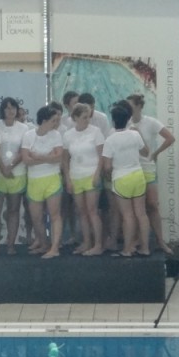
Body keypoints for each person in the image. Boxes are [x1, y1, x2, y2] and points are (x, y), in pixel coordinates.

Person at [126, 93, 176, 253]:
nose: (129, 110)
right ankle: (136, 240)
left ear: (139, 106)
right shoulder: (125, 123)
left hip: (147, 168)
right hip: (131, 170)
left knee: (152, 205)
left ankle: (160, 241)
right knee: (134, 210)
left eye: (131, 106)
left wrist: (155, 153)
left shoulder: (150, 122)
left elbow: (170, 138)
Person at [101, 102, 151, 257]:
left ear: (114, 120)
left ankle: (127, 249)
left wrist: (109, 177)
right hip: (138, 175)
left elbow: (107, 166)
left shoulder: (110, 140)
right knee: (141, 214)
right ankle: (145, 247)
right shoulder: (135, 134)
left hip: (121, 178)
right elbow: (145, 152)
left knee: (127, 215)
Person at [21, 105, 65, 258]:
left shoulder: (56, 135)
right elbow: (26, 160)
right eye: (53, 120)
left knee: (54, 215)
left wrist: (38, 157)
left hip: (52, 178)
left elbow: (59, 157)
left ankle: (54, 248)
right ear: (44, 120)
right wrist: (48, 158)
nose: (55, 123)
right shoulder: (28, 135)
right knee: (36, 217)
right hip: (34, 180)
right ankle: (43, 243)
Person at [62, 103, 105, 256]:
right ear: (75, 118)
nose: (87, 120)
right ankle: (86, 242)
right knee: (81, 212)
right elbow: (65, 159)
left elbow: (102, 156)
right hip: (76, 176)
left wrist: (97, 174)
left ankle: (98, 244)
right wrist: (68, 179)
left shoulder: (96, 132)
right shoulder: (68, 135)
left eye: (89, 117)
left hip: (91, 174)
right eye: (84, 117)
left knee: (92, 211)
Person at [0, 97, 29, 255]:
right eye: (7, 108)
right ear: (2, 110)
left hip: (17, 173)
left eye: (13, 108)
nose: (10, 111)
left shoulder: (24, 128)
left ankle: (11, 244)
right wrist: (3, 167)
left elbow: (23, 151)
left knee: (13, 210)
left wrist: (11, 166)